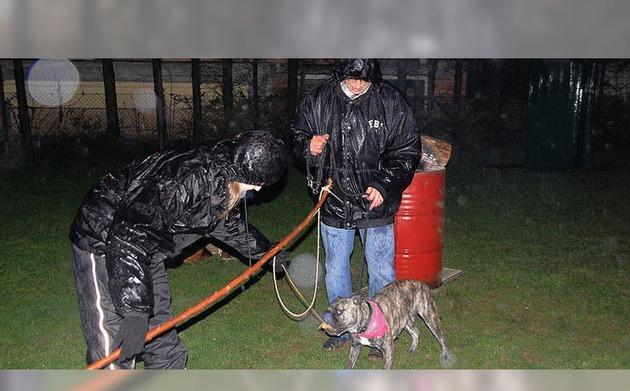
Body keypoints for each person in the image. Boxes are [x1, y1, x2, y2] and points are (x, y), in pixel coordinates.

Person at [69, 130, 288, 369]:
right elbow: (129, 235)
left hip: (147, 247)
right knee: (113, 340)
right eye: (259, 185)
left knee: (158, 329)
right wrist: (134, 312)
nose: (256, 191)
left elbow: (226, 225)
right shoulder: (188, 178)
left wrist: (267, 253)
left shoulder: (221, 175)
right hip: (103, 237)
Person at [292, 59, 421, 350]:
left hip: (375, 202)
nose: (359, 84)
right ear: (341, 73)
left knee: (381, 270)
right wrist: (308, 147)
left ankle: (381, 332)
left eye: (365, 80)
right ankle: (341, 330)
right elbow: (297, 137)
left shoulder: (390, 101)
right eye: (353, 78)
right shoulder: (319, 100)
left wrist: (384, 184)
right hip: (335, 200)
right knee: (336, 268)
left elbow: (407, 149)